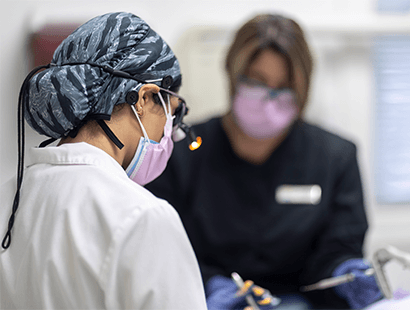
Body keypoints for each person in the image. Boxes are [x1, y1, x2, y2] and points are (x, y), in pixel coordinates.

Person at [146, 14, 383, 309]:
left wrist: (344, 272)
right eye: (257, 81)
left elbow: (338, 248)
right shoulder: (181, 152)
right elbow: (164, 248)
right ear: (233, 74)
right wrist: (210, 286)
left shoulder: (335, 157)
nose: (269, 98)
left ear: (302, 88)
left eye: (284, 87)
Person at [0, 12, 209, 309]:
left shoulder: (8, 199)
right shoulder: (143, 217)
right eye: (173, 113)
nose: (173, 135)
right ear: (145, 98)